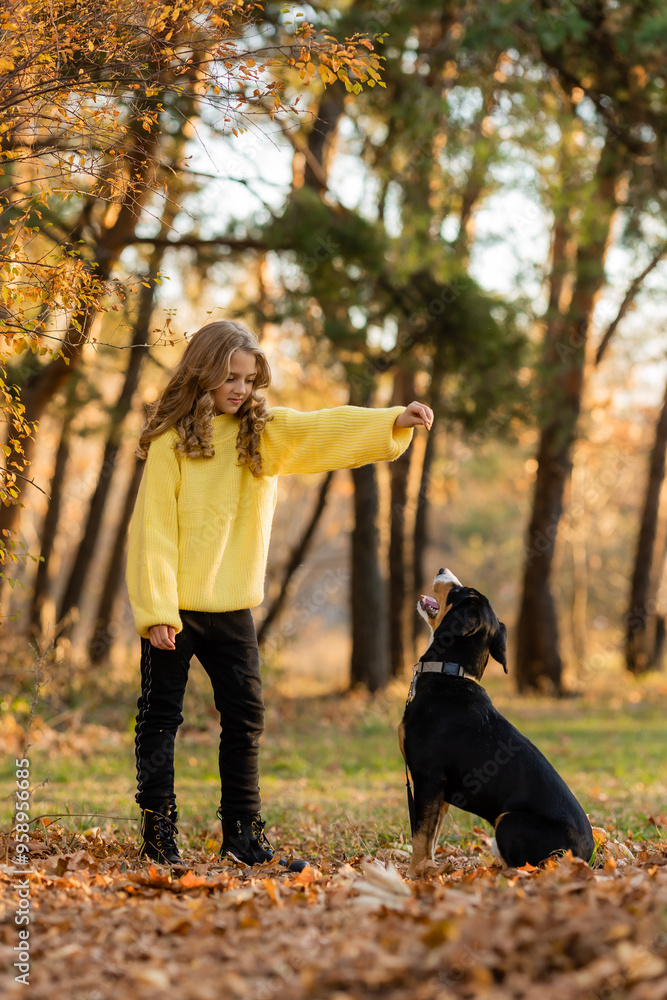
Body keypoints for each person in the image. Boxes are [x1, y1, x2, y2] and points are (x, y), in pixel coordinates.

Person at [125, 319, 434, 869]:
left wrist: (392, 420)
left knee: (245, 718)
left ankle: (242, 834)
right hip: (174, 611)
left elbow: (321, 429)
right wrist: (156, 610)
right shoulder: (170, 443)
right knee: (160, 719)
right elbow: (153, 531)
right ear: (204, 374)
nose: (240, 389)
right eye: (229, 377)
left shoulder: (260, 435)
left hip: (233, 608)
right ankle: (159, 833)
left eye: (248, 379)